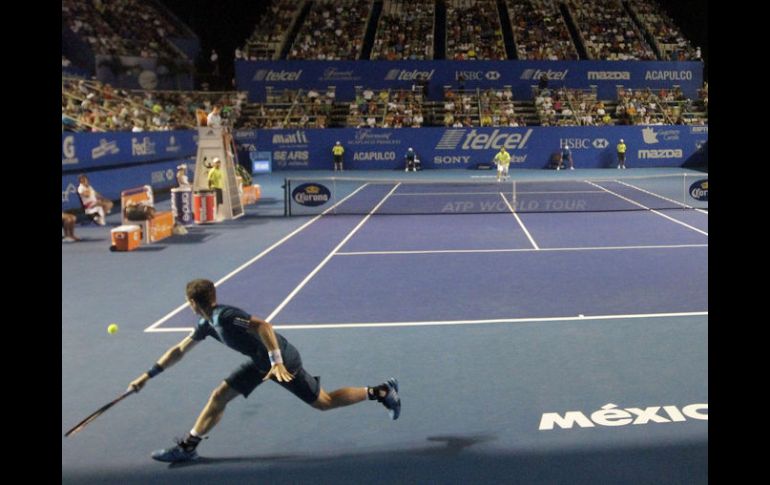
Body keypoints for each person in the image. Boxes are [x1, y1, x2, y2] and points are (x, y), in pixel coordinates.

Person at [127, 278, 401, 463]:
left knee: (323, 402)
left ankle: (381, 391)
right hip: (259, 362)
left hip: (281, 360)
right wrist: (146, 376)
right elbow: (179, 350)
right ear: (211, 296)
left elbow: (263, 326)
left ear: (191, 303)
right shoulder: (207, 324)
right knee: (219, 395)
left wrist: (277, 361)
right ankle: (189, 445)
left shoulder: (225, 317)